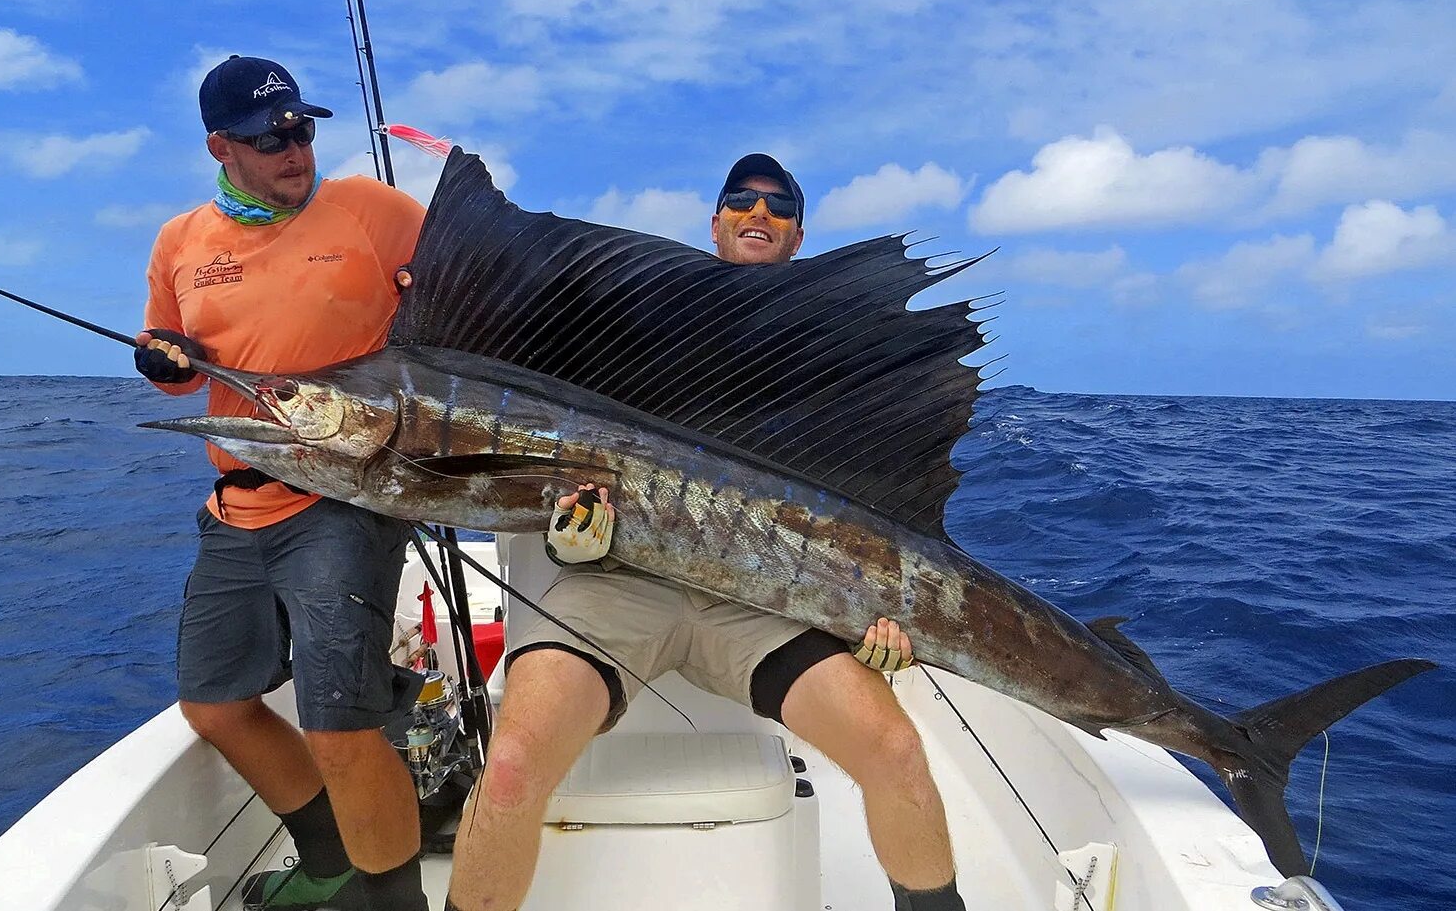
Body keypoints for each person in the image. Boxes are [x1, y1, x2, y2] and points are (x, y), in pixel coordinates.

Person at [446, 154, 964, 911]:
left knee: (895, 749)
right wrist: (570, 536)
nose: (759, 211)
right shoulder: (636, 326)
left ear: (797, 235)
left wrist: (866, 620)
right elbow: (539, 481)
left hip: (756, 602)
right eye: (740, 199)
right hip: (615, 585)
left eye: (779, 204)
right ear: (715, 221)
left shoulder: (824, 354)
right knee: (515, 765)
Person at [136, 54, 430, 911]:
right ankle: (331, 854)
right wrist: (162, 362)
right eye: (271, 138)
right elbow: (177, 365)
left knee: (341, 725)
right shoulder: (180, 241)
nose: (295, 149)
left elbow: (470, 297)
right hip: (236, 502)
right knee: (215, 702)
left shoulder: (372, 211)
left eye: (302, 128)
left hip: (346, 495)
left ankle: (394, 898)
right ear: (220, 146)